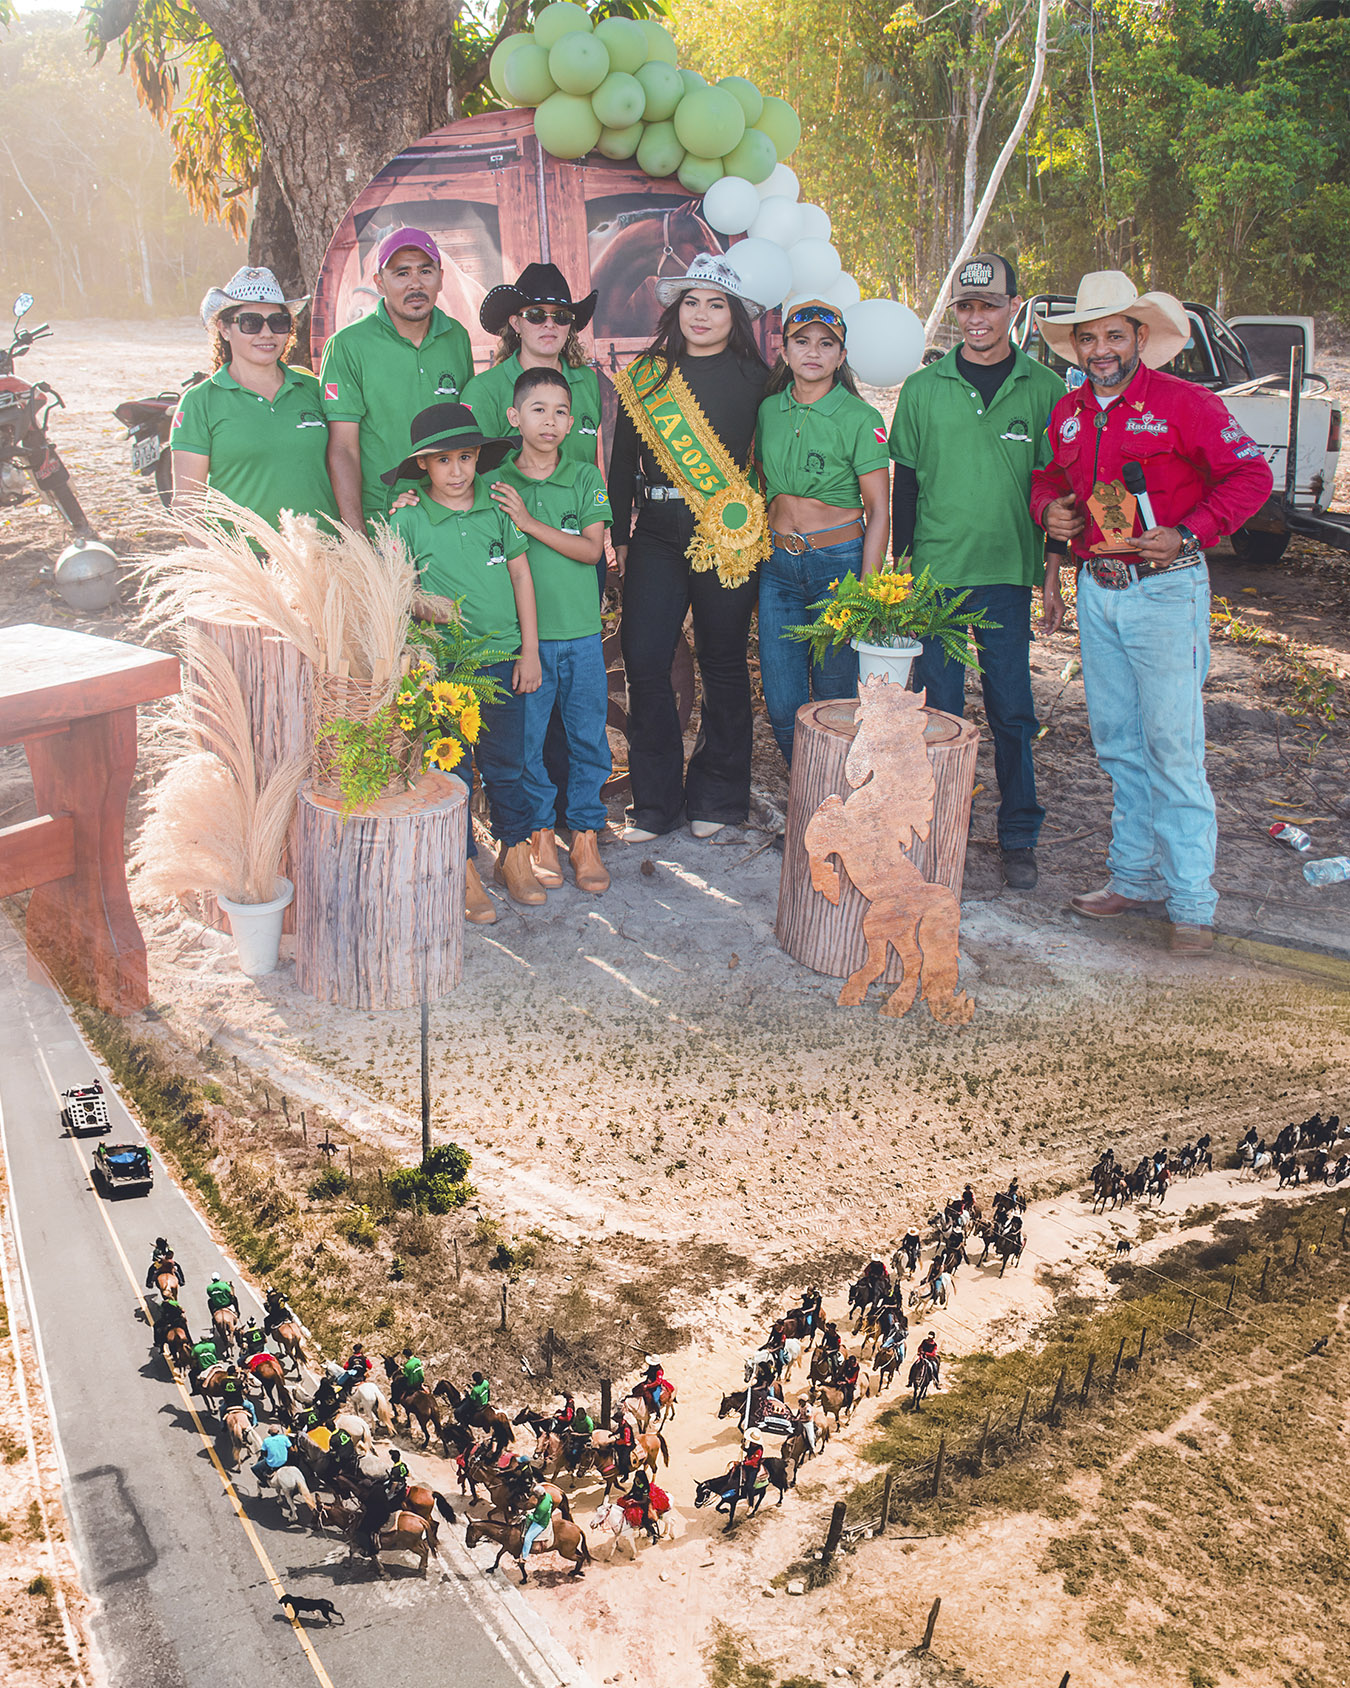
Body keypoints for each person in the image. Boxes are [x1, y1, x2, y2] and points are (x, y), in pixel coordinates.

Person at [1031, 271, 1274, 952]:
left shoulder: (1184, 403)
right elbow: (1053, 478)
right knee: (1117, 743)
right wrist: (1046, 508)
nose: (1101, 348)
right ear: (1075, 345)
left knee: (1173, 747)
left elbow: (1251, 476)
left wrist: (1189, 532)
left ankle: (1193, 901)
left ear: (1140, 337)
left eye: (1114, 334)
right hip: (1099, 590)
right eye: (1089, 337)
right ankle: (1131, 877)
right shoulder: (1070, 410)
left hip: (1165, 591)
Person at [889, 253, 1067, 890]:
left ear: (1013, 308)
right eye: (965, 307)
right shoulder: (922, 387)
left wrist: (1052, 573)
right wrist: (902, 569)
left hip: (1007, 575)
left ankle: (1019, 832)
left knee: (1012, 709)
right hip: (936, 575)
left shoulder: (1045, 389)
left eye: (988, 305)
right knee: (937, 709)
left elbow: (1058, 489)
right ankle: (937, 831)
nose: (975, 318)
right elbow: (903, 485)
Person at [608, 253, 771, 841]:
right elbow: (621, 461)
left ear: (737, 316)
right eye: (691, 302)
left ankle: (717, 798)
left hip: (724, 534)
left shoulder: (759, 378)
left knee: (723, 663)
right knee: (646, 659)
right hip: (653, 530)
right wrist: (621, 539)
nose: (702, 315)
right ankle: (656, 805)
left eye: (716, 304)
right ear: (675, 310)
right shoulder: (648, 375)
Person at [386, 404, 540, 920]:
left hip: (501, 658)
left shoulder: (497, 510)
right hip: (443, 672)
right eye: (444, 460)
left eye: (467, 458)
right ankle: (463, 867)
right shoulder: (407, 518)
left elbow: (521, 577)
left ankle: (514, 853)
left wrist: (530, 652)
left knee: (507, 764)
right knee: (452, 773)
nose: (457, 471)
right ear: (423, 466)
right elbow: (398, 594)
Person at [490, 366, 614, 894]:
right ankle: (541, 833)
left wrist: (531, 523)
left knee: (589, 738)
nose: (551, 420)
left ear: (571, 423)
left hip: (583, 634)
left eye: (562, 411)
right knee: (530, 743)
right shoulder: (495, 484)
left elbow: (590, 550)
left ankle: (584, 834)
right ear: (515, 417)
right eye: (538, 409)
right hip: (527, 643)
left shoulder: (585, 476)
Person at [755, 297, 890, 762]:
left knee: (835, 698)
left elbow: (879, 509)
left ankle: (836, 797)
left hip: (838, 569)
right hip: (777, 568)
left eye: (826, 343)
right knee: (781, 700)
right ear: (784, 351)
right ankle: (809, 792)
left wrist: (867, 591)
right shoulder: (769, 410)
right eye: (802, 341)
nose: (813, 351)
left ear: (841, 355)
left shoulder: (860, 418)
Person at [321, 227, 474, 529]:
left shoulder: (456, 336)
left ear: (441, 278)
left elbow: (465, 432)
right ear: (379, 283)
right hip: (383, 517)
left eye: (425, 271)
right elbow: (343, 449)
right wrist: (356, 534)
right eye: (401, 273)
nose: (415, 284)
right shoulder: (348, 345)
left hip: (448, 514)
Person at [171, 266, 338, 533]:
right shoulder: (199, 402)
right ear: (224, 329)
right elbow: (187, 505)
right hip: (246, 564)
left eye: (278, 322)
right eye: (250, 322)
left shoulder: (314, 390)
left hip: (324, 557)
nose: (266, 333)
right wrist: (221, 567)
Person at [466, 264, 603, 470]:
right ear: (516, 323)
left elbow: (591, 464)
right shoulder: (483, 390)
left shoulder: (587, 380)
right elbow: (471, 474)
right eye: (536, 315)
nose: (549, 324)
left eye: (561, 316)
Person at [519, 1484, 554, 1569]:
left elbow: (536, 1519)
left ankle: (524, 1557)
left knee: (528, 1538)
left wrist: (527, 1514)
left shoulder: (542, 1507)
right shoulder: (548, 1496)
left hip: (541, 1523)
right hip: (543, 1514)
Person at [623, 1467, 659, 1543]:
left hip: (643, 1503)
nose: (636, 1479)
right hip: (635, 1497)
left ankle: (654, 1534)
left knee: (644, 1520)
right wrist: (627, 1495)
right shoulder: (635, 1481)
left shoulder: (645, 1488)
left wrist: (634, 1501)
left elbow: (644, 1500)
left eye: (638, 1477)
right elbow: (633, 1490)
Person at [252, 1424, 293, 1490]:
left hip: (272, 1463)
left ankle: (265, 1483)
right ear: (278, 1431)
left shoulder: (266, 1441)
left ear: (269, 1433)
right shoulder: (284, 1437)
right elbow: (291, 1449)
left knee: (254, 1469)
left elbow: (263, 1454)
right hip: (285, 1461)